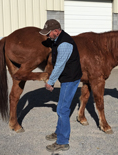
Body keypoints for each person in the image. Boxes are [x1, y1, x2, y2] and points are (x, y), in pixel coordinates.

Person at [39, 19, 82, 152]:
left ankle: (63, 142)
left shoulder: (64, 44)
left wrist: (50, 82)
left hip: (70, 79)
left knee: (62, 109)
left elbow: (59, 66)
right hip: (67, 77)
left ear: (56, 31)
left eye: (49, 33)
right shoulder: (58, 39)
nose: (47, 36)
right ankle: (59, 132)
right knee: (61, 108)